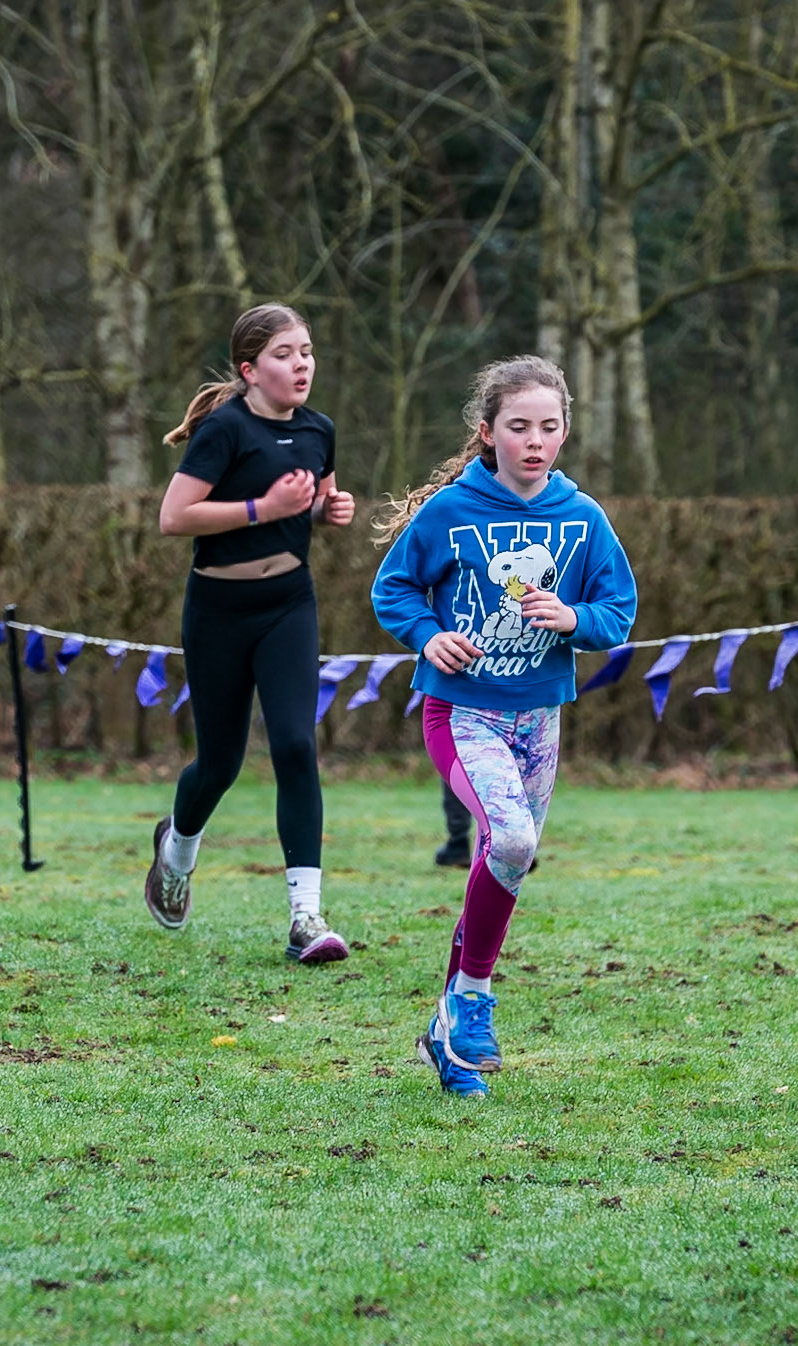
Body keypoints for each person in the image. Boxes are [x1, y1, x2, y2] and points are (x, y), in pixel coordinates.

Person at [371, 356, 637, 1097]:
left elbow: (617, 612)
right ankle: (474, 1000)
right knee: (512, 840)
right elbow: (393, 588)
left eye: (549, 427)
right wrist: (428, 634)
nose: (535, 441)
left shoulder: (583, 519)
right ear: (488, 432)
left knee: (506, 860)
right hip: (462, 713)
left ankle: (448, 1038)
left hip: (540, 718)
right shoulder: (451, 511)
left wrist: (574, 618)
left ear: (565, 432)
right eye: (519, 426)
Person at [145, 303, 356, 964]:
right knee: (220, 765)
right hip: (218, 610)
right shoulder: (225, 429)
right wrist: (264, 508)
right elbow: (174, 517)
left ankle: (306, 917)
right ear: (250, 370)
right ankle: (176, 852)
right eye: (284, 355)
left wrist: (326, 511)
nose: (301, 365)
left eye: (307, 352)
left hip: (289, 602)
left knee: (295, 744)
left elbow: (310, 502)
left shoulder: (319, 429)